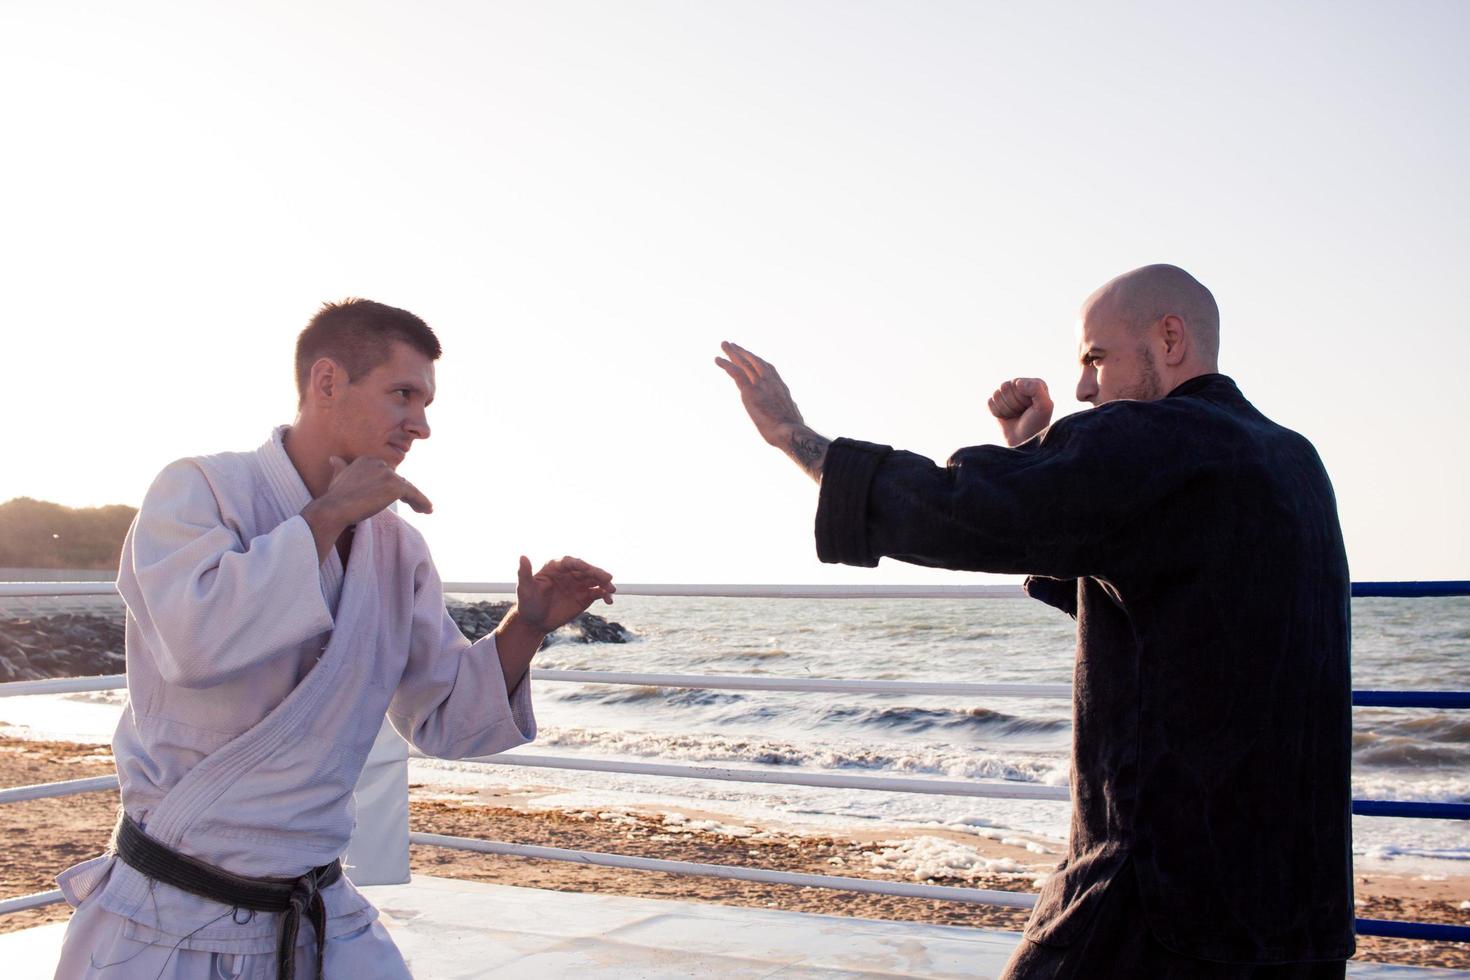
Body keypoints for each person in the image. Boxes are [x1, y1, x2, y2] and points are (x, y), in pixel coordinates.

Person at [716, 264, 1353, 978]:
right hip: (1297, 917)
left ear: (1169, 337)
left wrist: (796, 438)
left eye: (1096, 357)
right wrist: (1032, 450)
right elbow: (1146, 597)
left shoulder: (1155, 437)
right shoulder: (1293, 460)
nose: (1083, 387)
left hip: (1160, 905)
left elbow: (964, 510)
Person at [53, 299, 615, 979]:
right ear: (326, 383)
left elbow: (442, 720)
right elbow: (192, 644)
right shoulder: (200, 491)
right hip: (171, 921)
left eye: (427, 402)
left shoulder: (397, 548)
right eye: (403, 394)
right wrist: (327, 516)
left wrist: (525, 626)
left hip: (320, 913)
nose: (422, 424)